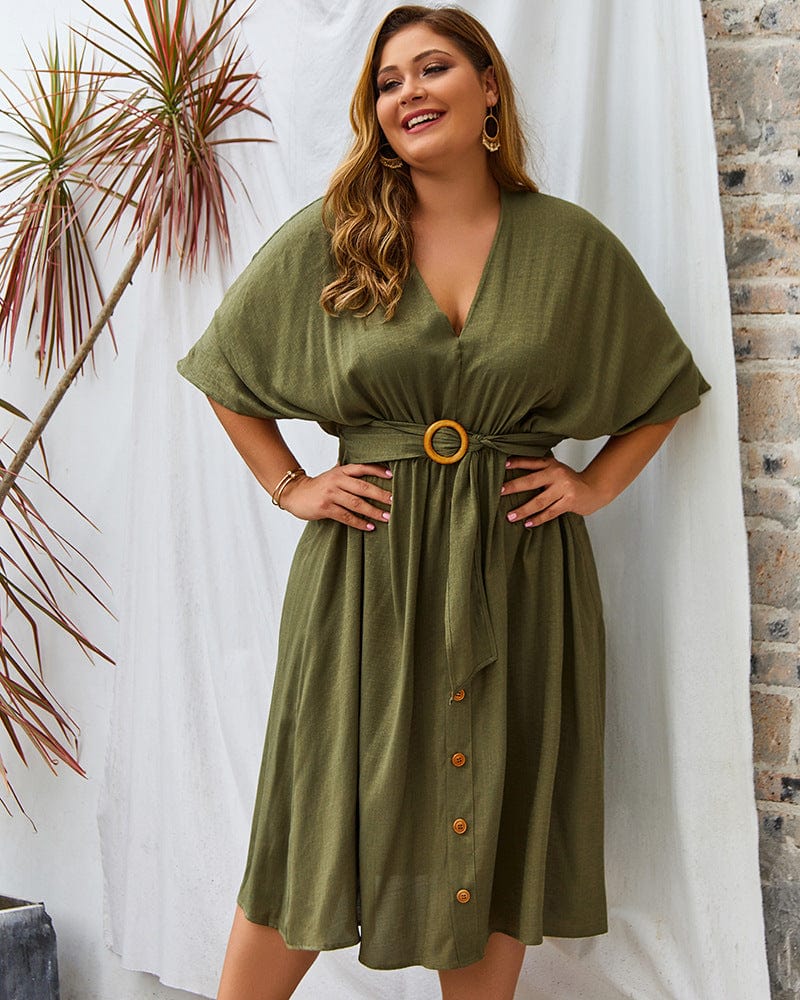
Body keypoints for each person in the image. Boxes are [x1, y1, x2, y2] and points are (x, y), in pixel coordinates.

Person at [177, 5, 711, 999]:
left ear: (489, 86)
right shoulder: (339, 239)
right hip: (366, 572)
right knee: (317, 814)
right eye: (388, 82)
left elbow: (662, 388)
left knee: (493, 823)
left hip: (518, 571)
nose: (408, 93)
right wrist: (291, 485)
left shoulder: (568, 245)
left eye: (432, 69)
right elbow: (225, 370)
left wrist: (594, 483)